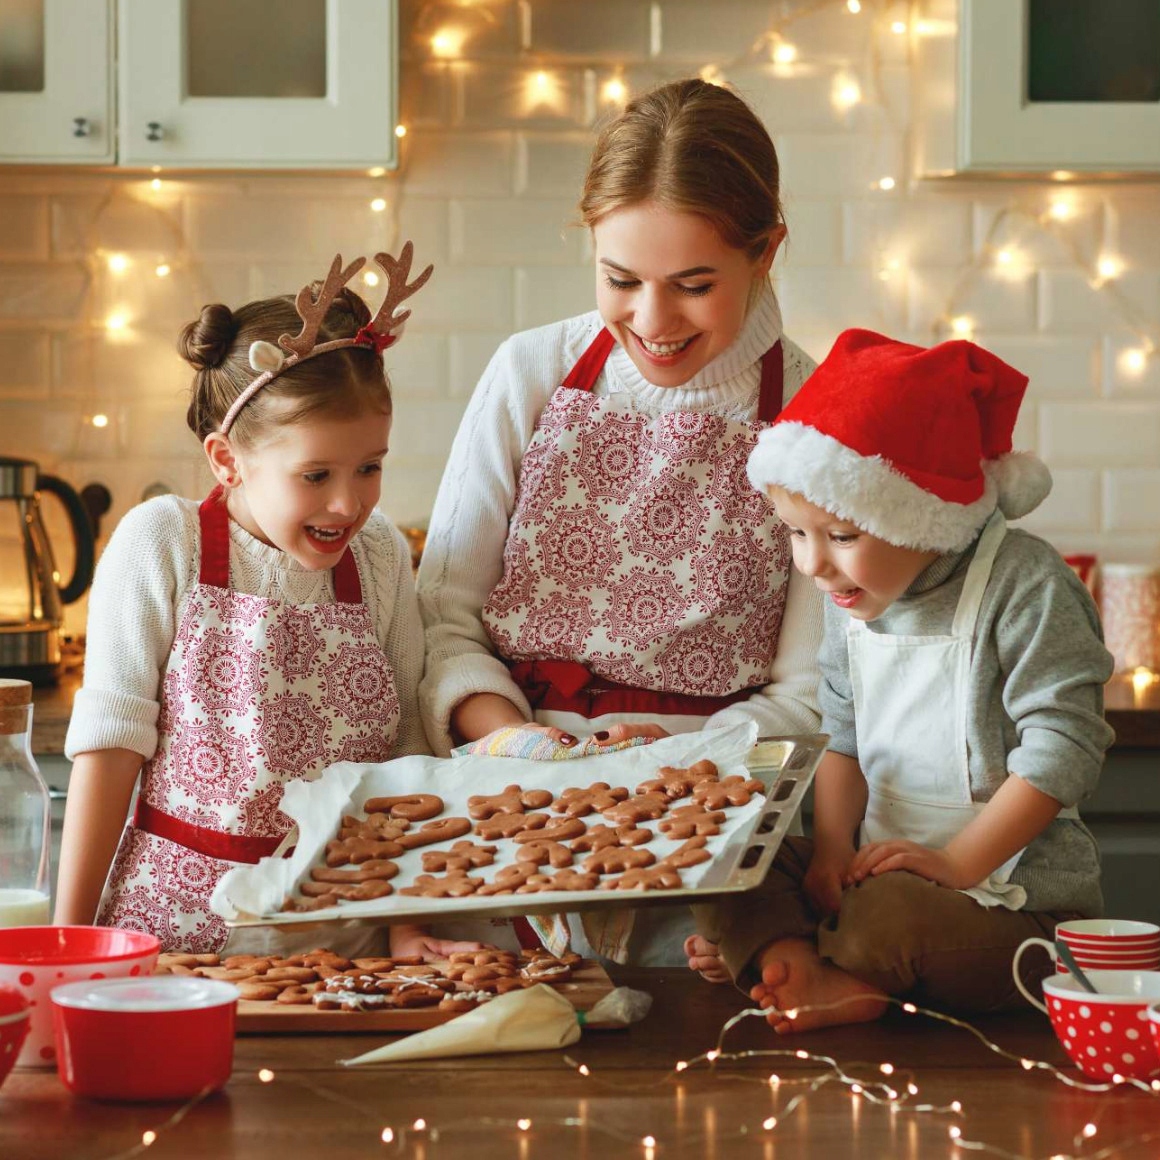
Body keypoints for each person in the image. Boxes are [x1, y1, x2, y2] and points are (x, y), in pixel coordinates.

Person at [416, 78, 825, 965]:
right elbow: (443, 619)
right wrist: (515, 740)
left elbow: (812, 697)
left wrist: (684, 771)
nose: (652, 318)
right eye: (620, 279)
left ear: (767, 252)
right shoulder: (532, 373)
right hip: (507, 826)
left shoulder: (813, 414)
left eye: (693, 285)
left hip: (709, 863)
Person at [54, 247, 474, 961]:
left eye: (369, 467)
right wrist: (70, 940)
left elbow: (404, 757)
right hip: (177, 936)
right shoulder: (165, 542)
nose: (349, 503)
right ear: (228, 461)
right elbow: (111, 749)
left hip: (342, 941)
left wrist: (407, 928)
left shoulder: (377, 556)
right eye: (316, 475)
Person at [692, 328, 1114, 1030]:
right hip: (875, 872)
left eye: (841, 536)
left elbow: (1063, 749)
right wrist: (830, 852)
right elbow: (842, 732)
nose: (812, 565)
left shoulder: (1026, 584)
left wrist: (955, 865)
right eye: (796, 533)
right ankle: (796, 957)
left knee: (884, 917)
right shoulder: (852, 598)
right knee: (733, 852)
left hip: (1014, 905)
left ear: (920, 515)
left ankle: (838, 971)